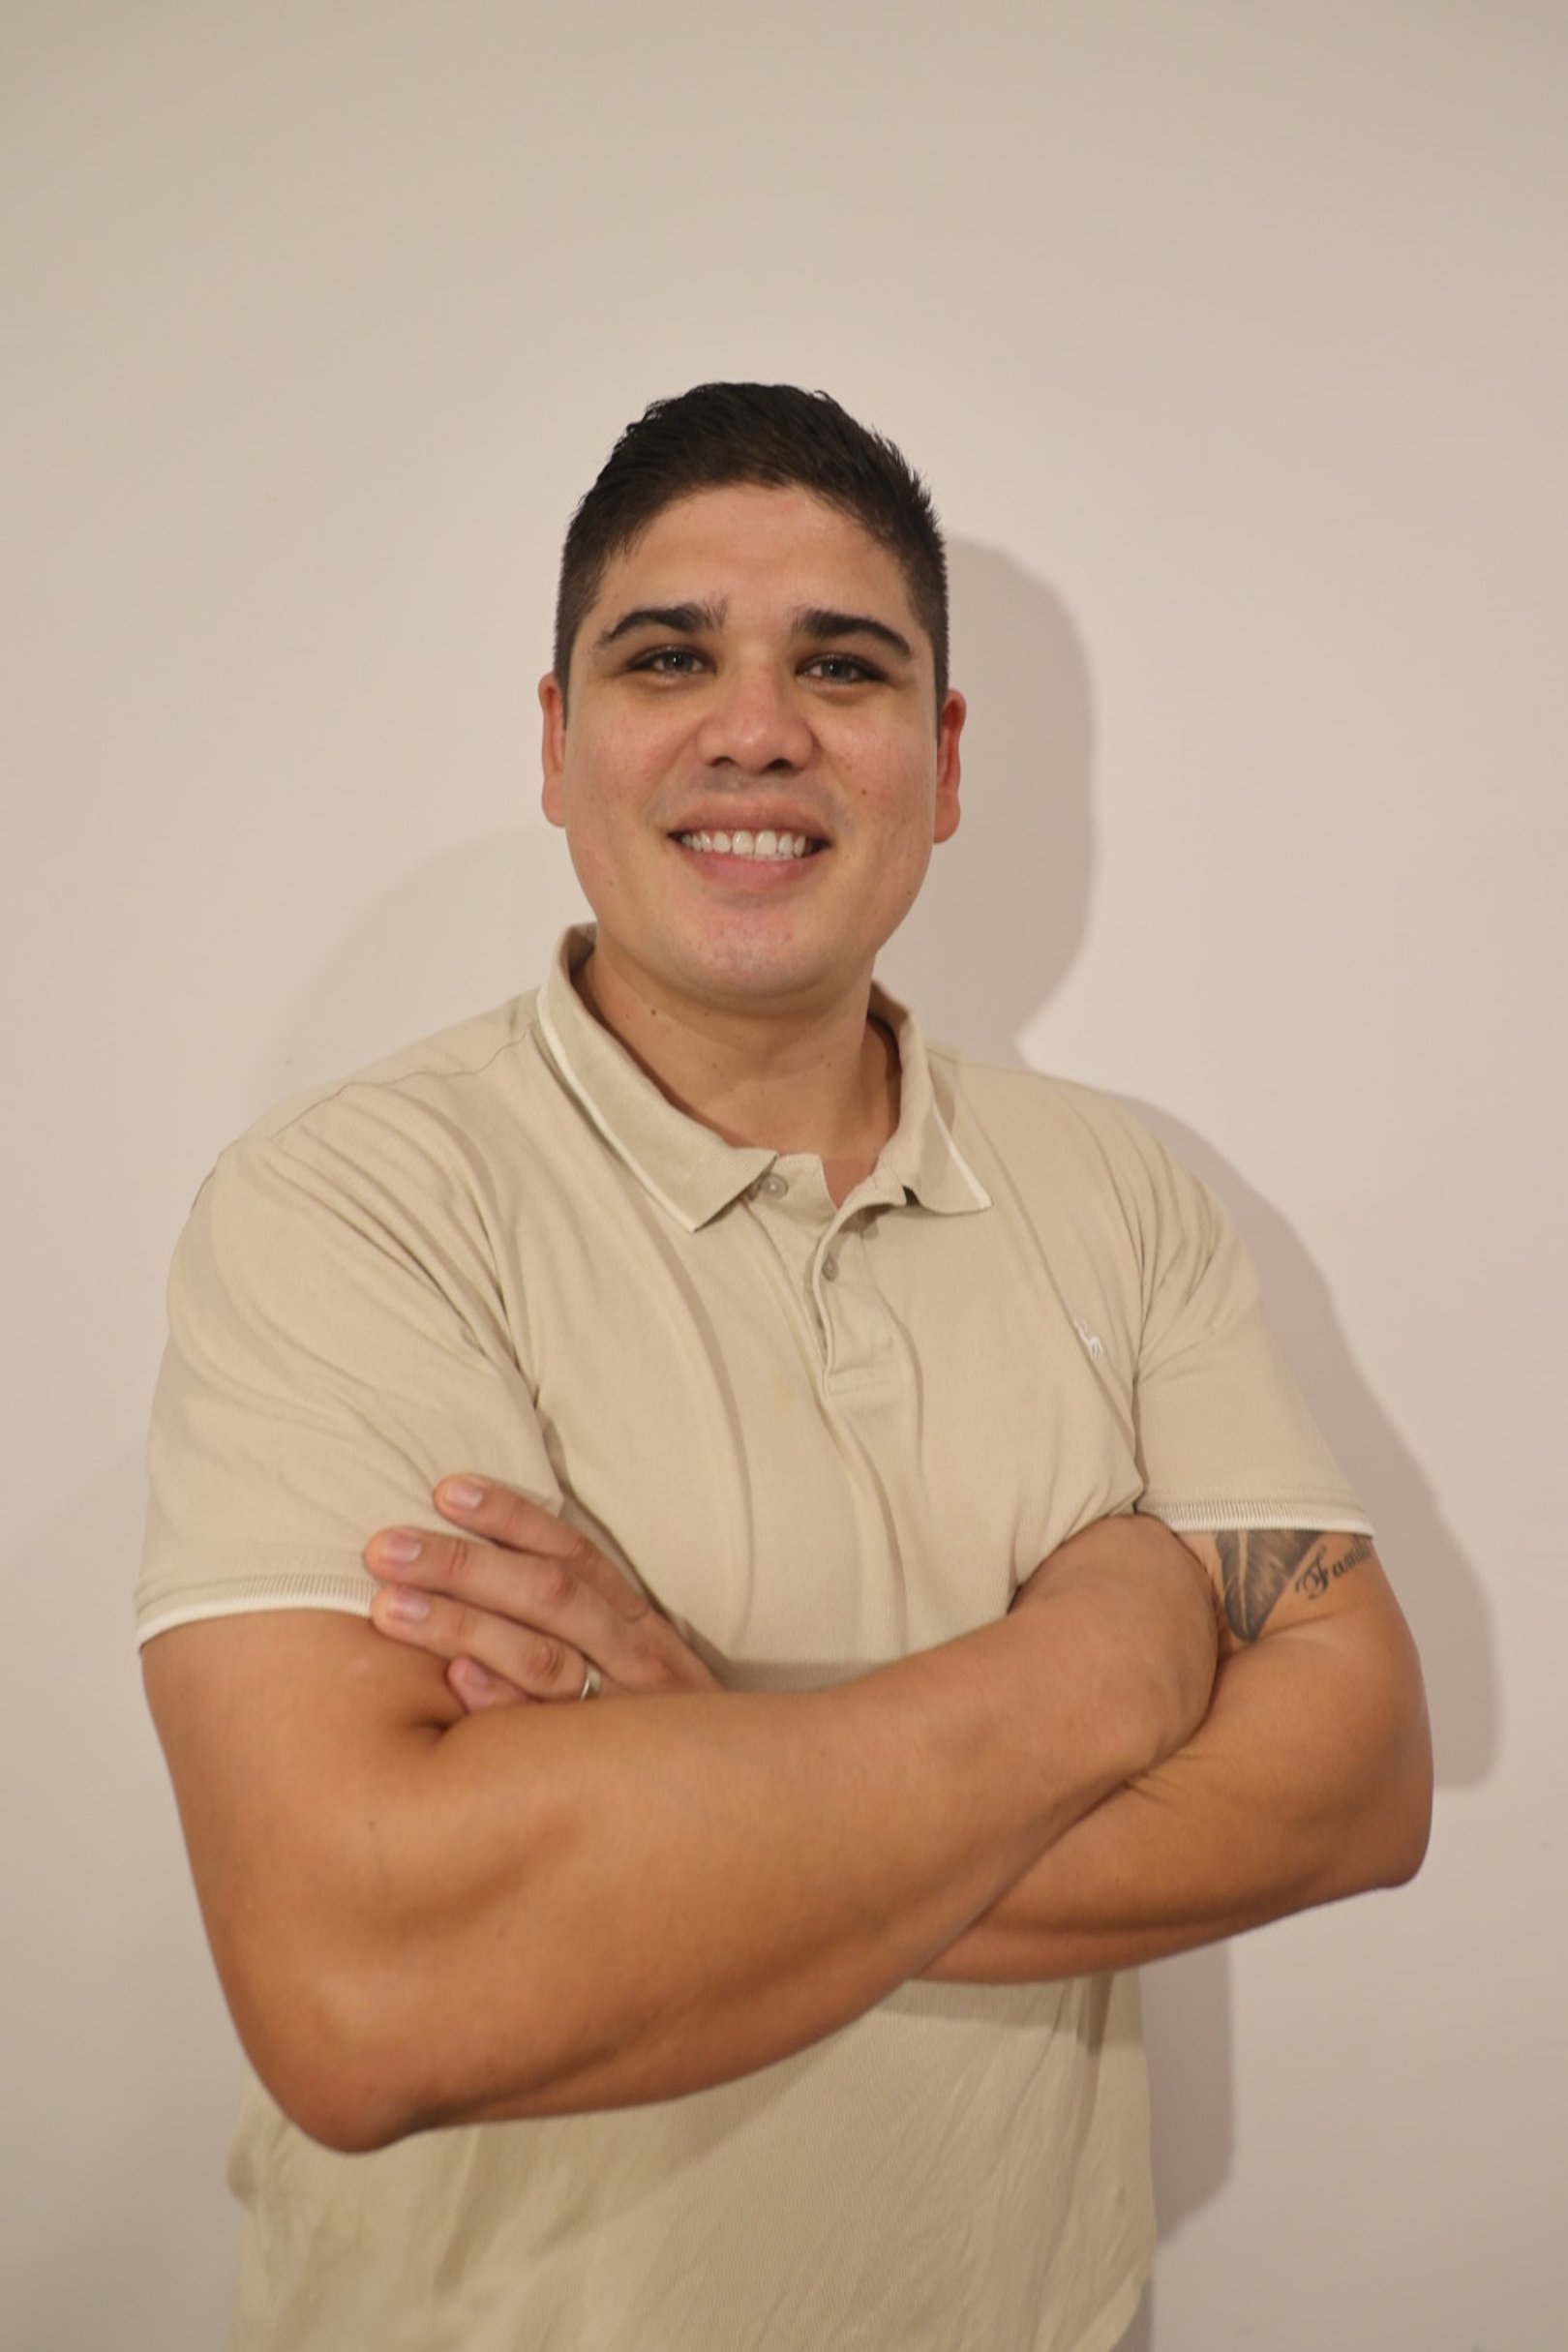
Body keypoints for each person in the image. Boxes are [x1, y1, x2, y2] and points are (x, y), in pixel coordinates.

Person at [139, 382, 1431, 2352]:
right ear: (561, 746)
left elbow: (1362, 1786)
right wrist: (1105, 1652)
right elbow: (365, 1990)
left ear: (944, 756)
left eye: (844, 666)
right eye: (670, 659)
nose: (759, 727)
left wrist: (687, 1744)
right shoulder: (351, 1205)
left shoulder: (1126, 1196)